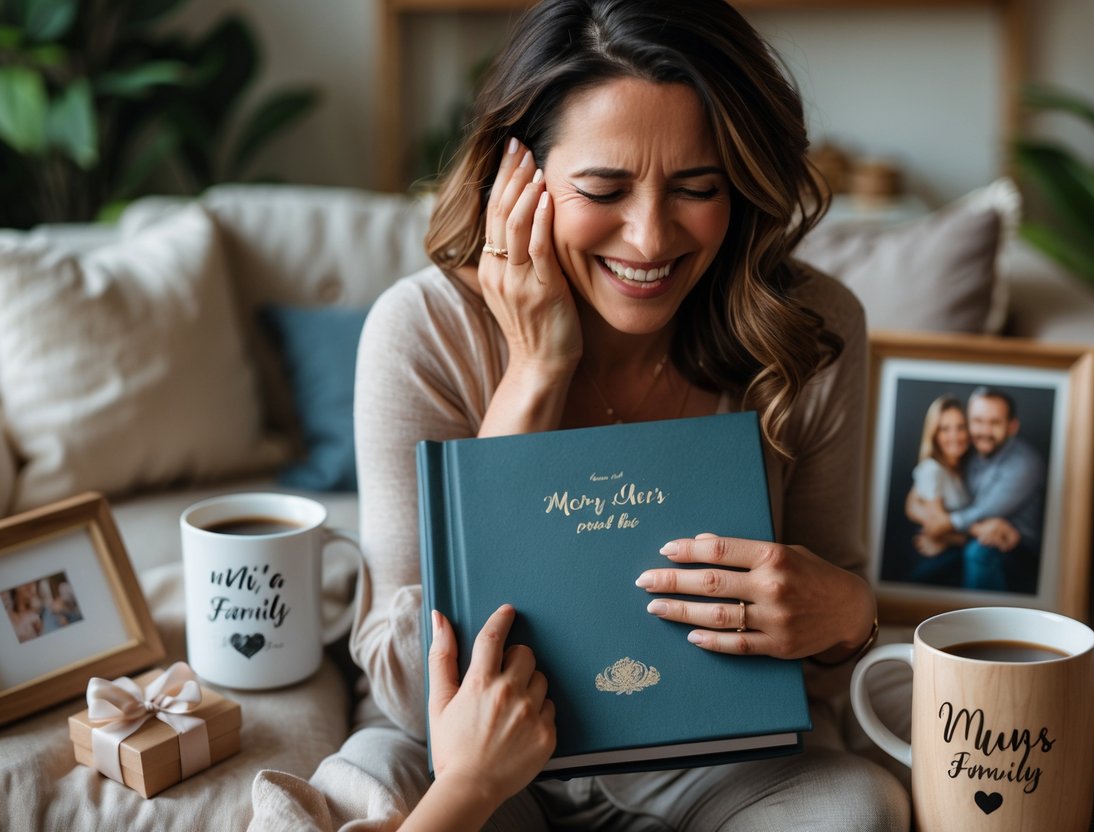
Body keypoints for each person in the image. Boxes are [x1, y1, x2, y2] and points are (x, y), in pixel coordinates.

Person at [348, 0, 906, 828]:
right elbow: (401, 683)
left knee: (858, 806)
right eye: (603, 189)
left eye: (696, 188)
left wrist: (846, 613)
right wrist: (536, 369)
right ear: (519, 179)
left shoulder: (811, 330)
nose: (649, 239)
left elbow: (821, 651)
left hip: (722, 762)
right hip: (469, 757)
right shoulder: (422, 330)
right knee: (360, 790)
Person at [912, 387, 1045, 594]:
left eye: (994, 423)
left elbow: (984, 511)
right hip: (977, 534)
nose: (984, 430)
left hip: (1017, 545)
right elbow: (914, 500)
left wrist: (942, 530)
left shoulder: (1025, 463)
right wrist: (948, 534)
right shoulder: (968, 455)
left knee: (977, 552)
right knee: (926, 571)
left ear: (1012, 427)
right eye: (978, 421)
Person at [902, 395, 971, 586]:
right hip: (936, 561)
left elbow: (911, 505)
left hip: (953, 558)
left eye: (960, 427)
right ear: (934, 434)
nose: (954, 436)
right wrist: (955, 539)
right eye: (944, 429)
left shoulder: (961, 469)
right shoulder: (932, 470)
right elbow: (936, 527)